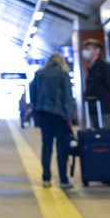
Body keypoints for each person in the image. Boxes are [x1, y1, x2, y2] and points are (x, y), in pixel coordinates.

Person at [30, 53, 75, 189]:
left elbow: (33, 94)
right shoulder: (63, 75)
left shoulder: (39, 75)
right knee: (62, 148)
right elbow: (68, 97)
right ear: (61, 63)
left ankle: (46, 178)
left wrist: (37, 109)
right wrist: (69, 116)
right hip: (60, 116)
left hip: (44, 115)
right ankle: (63, 180)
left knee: (47, 146)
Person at [81, 38, 110, 130]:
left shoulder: (104, 67)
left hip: (104, 109)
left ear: (97, 50)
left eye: (88, 49)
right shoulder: (91, 68)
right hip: (94, 108)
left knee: (106, 137)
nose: (85, 51)